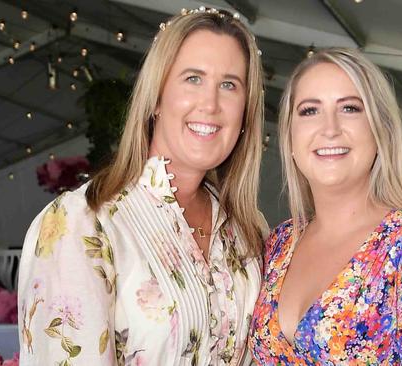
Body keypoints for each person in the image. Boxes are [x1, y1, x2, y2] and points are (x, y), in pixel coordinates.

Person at [17, 8, 266, 365]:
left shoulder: (248, 230)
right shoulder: (83, 224)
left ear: (245, 111)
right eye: (193, 78)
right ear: (156, 97)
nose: (210, 104)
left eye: (229, 85)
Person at [248, 48, 402, 364]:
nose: (329, 129)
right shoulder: (279, 243)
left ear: (380, 130)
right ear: (290, 137)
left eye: (349, 108)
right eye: (309, 111)